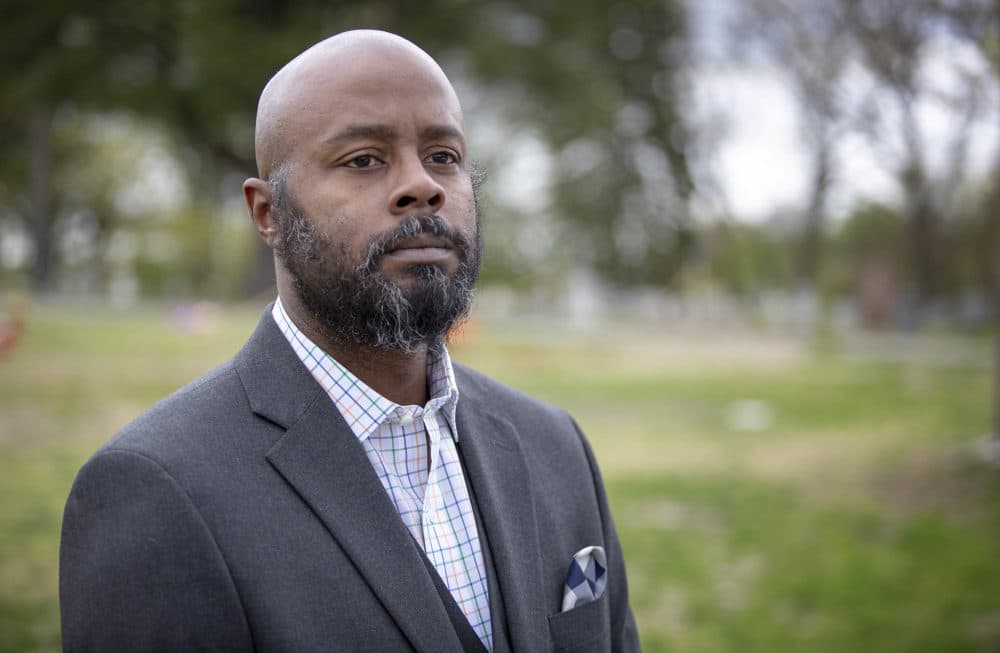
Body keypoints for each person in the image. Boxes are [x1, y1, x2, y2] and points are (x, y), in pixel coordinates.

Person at [59, 29, 640, 653]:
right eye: (364, 159)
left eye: (444, 155)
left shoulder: (557, 448)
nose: (422, 185)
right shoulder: (155, 493)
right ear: (267, 213)